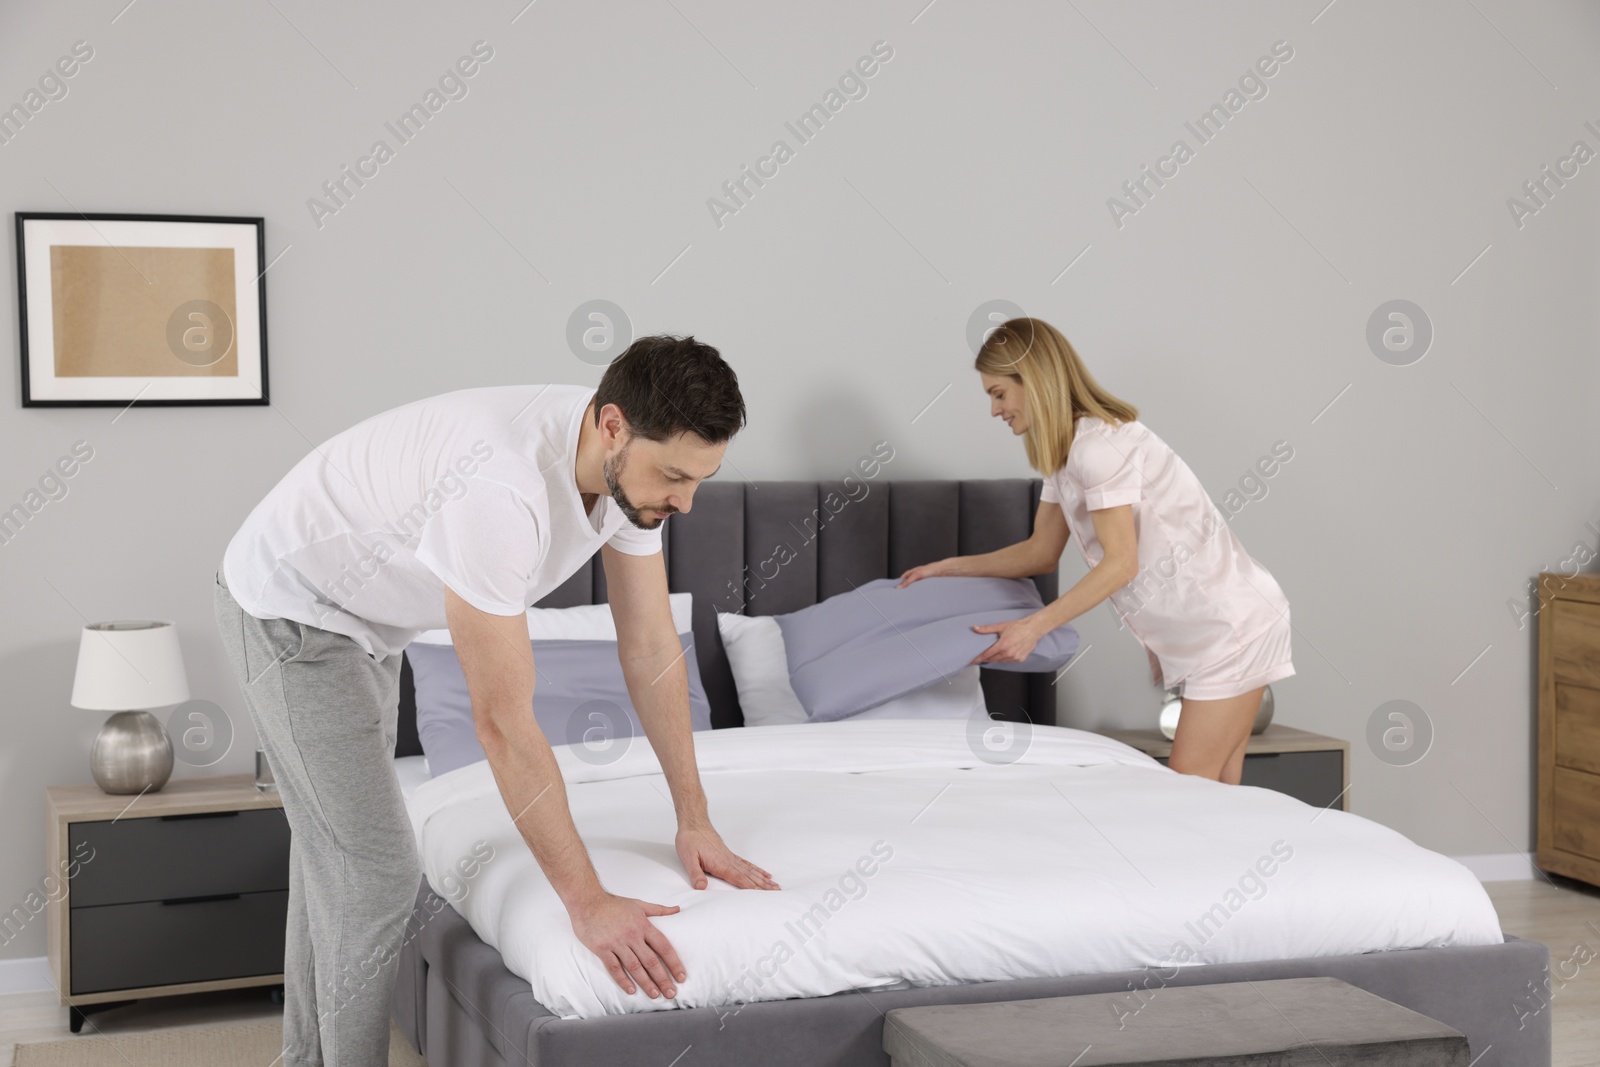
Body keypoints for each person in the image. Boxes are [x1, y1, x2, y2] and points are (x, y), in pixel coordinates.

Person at [213, 335, 778, 1067]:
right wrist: (588, 900)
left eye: (701, 480)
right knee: (377, 871)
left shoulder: (625, 482)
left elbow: (648, 650)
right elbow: (502, 723)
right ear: (613, 426)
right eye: (674, 475)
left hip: (370, 621)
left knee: (338, 854)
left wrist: (694, 818)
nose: (686, 501)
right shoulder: (500, 490)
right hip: (293, 608)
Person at [897, 317, 1293, 785]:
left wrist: (1033, 628)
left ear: (1035, 382)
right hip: (1209, 632)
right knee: (1220, 798)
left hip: (1229, 629)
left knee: (1191, 797)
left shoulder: (1099, 448)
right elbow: (1040, 552)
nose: (994, 410)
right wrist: (947, 568)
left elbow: (1122, 563)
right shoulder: (1066, 455)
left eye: (998, 393)